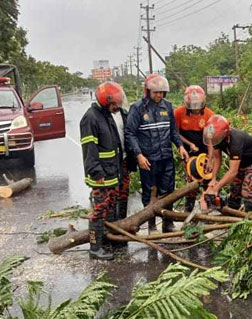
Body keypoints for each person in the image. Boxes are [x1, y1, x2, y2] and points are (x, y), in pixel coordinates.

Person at [125, 73, 189, 233]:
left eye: (162, 92)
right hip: (148, 159)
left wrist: (180, 146)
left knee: (168, 191)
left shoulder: (167, 106)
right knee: (149, 192)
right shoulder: (137, 108)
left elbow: (173, 130)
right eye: (156, 92)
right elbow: (130, 133)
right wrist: (138, 154)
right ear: (147, 91)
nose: (159, 95)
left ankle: (168, 223)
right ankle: (151, 225)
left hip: (166, 157)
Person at [80, 81, 127, 260]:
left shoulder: (106, 115)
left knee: (111, 208)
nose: (116, 108)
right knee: (99, 211)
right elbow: (89, 149)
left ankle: (108, 240)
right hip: (101, 175)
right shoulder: (90, 118)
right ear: (105, 100)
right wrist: (96, 172)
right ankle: (95, 247)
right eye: (114, 104)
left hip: (112, 172)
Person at [202, 114, 252, 211]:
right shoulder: (216, 139)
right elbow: (217, 159)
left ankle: (251, 218)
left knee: (247, 193)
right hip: (241, 163)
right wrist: (213, 179)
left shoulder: (235, 141)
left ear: (224, 134)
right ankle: (232, 215)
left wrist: (216, 188)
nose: (213, 141)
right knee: (234, 191)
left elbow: (233, 172)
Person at [174, 85, 215, 212]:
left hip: (204, 149)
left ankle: (208, 209)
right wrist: (188, 144)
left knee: (208, 179)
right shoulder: (178, 113)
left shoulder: (209, 114)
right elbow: (175, 133)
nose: (196, 109)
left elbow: (211, 139)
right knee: (192, 179)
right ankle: (189, 209)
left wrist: (211, 158)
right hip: (188, 151)